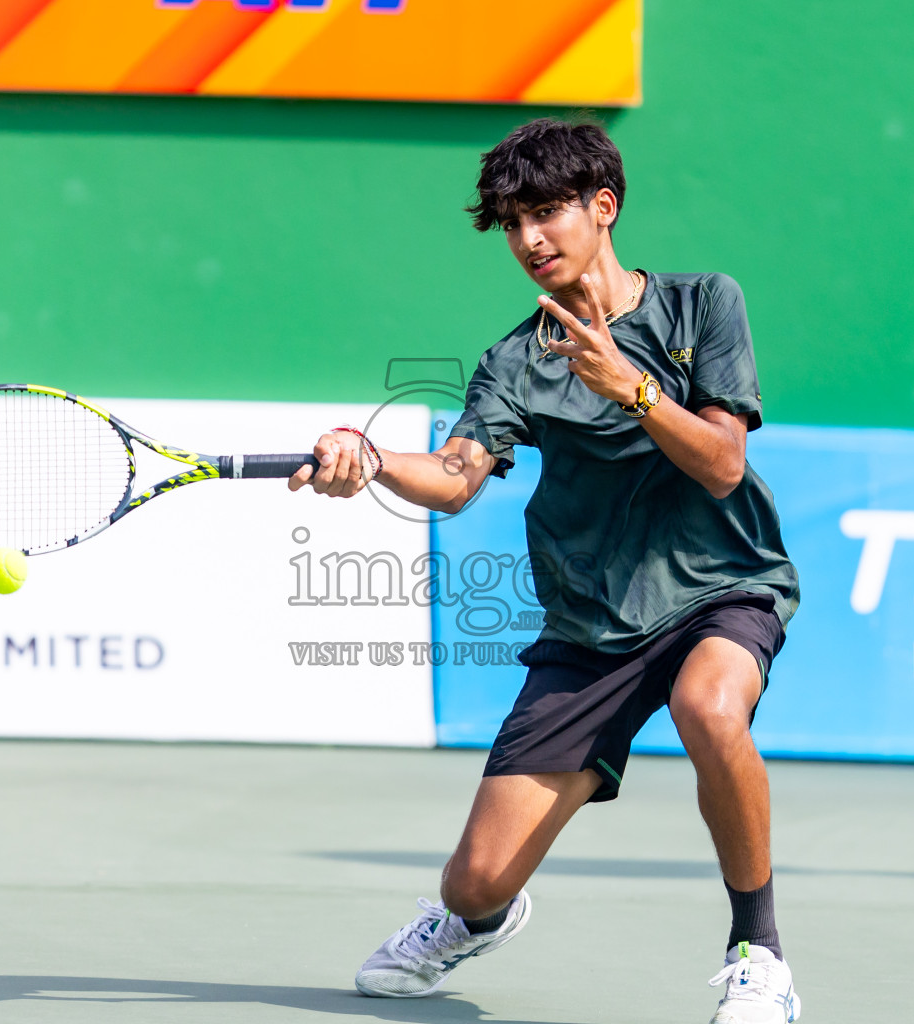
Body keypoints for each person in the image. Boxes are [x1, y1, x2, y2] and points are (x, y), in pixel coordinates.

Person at [289, 117, 803, 1024]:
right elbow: (453, 480)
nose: (528, 239)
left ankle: (758, 952)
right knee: (476, 879)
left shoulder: (701, 305)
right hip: (592, 627)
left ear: (602, 208)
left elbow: (724, 464)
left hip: (724, 584)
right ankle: (477, 920)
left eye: (546, 213)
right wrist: (367, 456)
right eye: (512, 222)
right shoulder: (514, 363)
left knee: (709, 705)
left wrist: (633, 389)